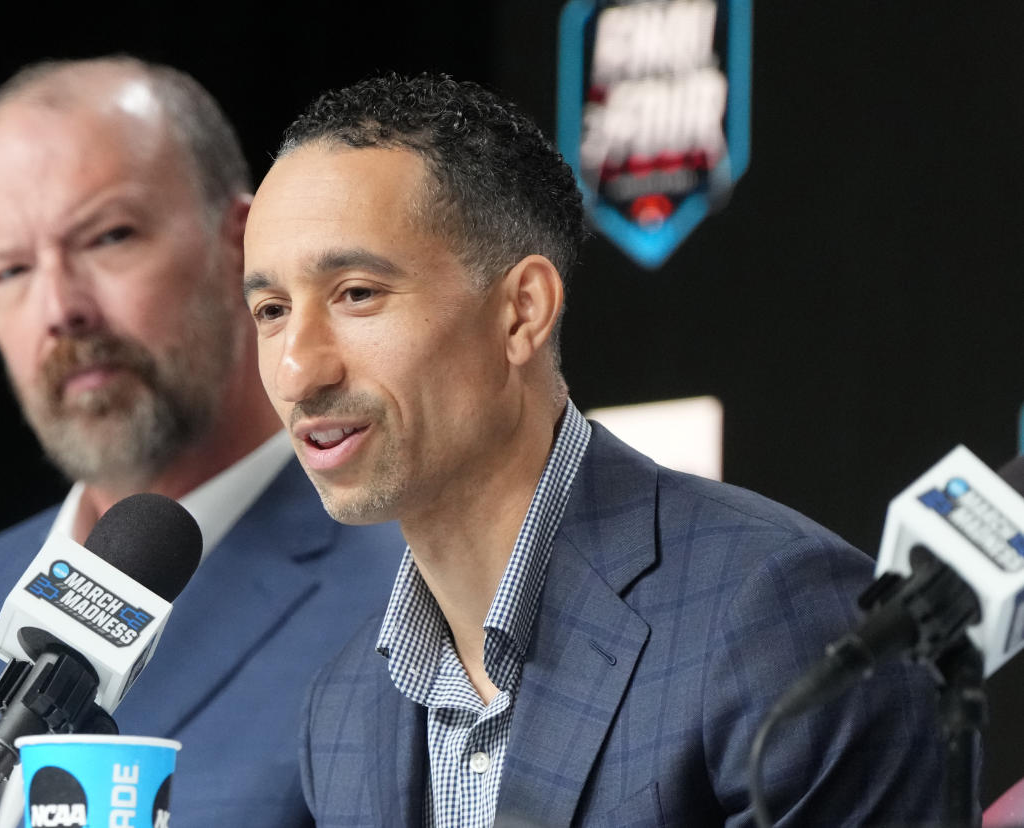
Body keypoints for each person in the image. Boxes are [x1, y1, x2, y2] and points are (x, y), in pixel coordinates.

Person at [242, 73, 955, 826]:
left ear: (522, 312)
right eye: (270, 310)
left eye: (357, 294)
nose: (298, 370)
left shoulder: (777, 618)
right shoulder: (344, 709)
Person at [0, 57, 402, 828]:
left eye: (109, 237)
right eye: (10, 270)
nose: (60, 309)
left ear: (244, 248)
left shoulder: (414, 599)